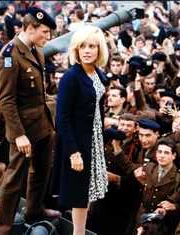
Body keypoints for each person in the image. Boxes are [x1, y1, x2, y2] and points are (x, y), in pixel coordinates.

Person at [0, 7, 59, 235]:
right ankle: (1, 228)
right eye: (45, 32)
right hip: (23, 131)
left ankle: (34, 210)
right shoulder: (10, 56)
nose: (47, 38)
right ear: (30, 28)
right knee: (13, 180)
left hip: (41, 125)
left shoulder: (34, 50)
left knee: (41, 170)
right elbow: (7, 100)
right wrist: (19, 134)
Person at [53, 25, 109, 235]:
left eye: (92, 46)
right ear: (76, 49)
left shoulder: (99, 75)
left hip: (93, 139)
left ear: (99, 49)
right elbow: (62, 119)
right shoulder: (71, 77)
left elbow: (97, 111)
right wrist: (73, 152)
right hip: (76, 142)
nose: (87, 50)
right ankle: (78, 232)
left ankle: (80, 231)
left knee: (85, 194)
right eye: (83, 46)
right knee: (79, 194)